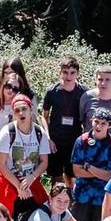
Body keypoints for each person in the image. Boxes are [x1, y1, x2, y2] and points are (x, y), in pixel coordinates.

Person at [0, 94, 50, 221]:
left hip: (30, 179)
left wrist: (31, 178)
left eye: (24, 109)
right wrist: (18, 186)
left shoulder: (39, 132)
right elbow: (1, 164)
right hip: (8, 179)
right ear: (13, 114)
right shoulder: (7, 132)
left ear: (31, 109)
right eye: (17, 110)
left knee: (43, 209)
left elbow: (44, 162)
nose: (21, 113)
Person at [70, 108, 111, 221]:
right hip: (82, 195)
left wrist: (88, 167)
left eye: (103, 123)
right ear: (91, 121)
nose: (99, 126)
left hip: (103, 198)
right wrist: (101, 172)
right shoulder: (81, 141)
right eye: (96, 121)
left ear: (110, 125)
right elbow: (77, 171)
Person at [41, 58, 87, 193]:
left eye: (72, 73)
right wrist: (48, 138)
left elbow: (87, 117)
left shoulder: (84, 92)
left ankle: (70, 203)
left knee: (71, 175)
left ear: (78, 74)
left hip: (74, 140)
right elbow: (44, 116)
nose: (69, 76)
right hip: (55, 140)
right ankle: (56, 202)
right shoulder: (52, 91)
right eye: (65, 72)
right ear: (60, 73)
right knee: (56, 176)